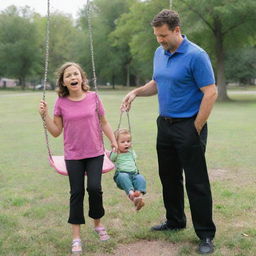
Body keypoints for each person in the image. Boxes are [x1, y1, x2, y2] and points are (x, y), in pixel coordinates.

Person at [121, 9, 217, 255]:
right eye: (156, 36)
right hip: (164, 125)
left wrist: (196, 127)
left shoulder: (197, 55)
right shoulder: (159, 52)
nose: (160, 40)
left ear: (177, 30)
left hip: (188, 126)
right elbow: (157, 82)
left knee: (196, 182)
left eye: (163, 35)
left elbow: (210, 92)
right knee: (169, 177)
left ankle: (205, 234)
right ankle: (175, 221)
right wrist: (135, 92)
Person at [38, 62, 118, 254]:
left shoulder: (93, 98)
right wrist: (45, 116)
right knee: (76, 193)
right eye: (68, 76)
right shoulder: (61, 102)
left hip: (95, 152)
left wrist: (113, 140)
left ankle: (98, 224)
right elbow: (56, 131)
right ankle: (76, 237)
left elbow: (104, 122)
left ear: (82, 78)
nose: (73, 77)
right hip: (73, 155)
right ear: (64, 82)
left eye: (76, 74)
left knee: (94, 188)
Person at [110, 128, 146, 211]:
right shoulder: (116, 153)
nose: (126, 144)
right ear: (116, 143)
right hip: (121, 176)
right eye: (122, 142)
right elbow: (111, 158)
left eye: (128, 141)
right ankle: (131, 194)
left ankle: (138, 196)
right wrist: (115, 150)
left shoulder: (131, 152)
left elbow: (134, 158)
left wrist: (131, 148)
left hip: (134, 174)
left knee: (141, 178)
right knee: (124, 176)